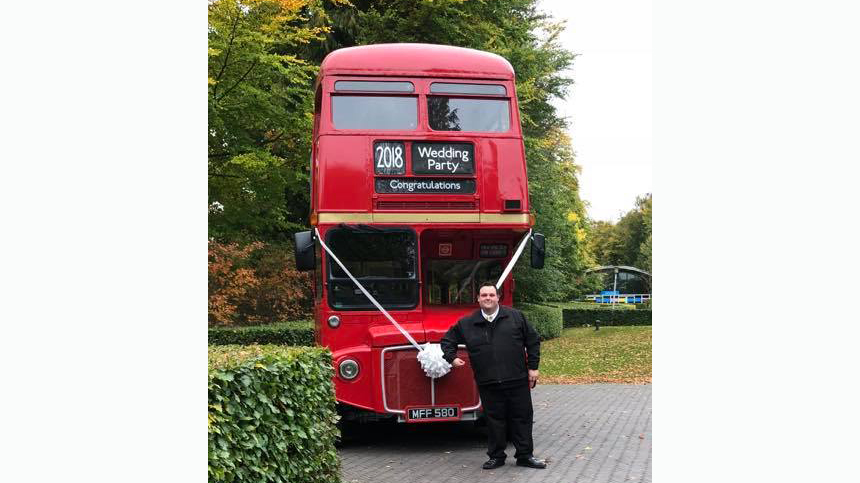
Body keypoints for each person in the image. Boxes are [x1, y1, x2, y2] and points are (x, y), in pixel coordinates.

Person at [440, 281, 547, 470]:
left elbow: (533, 340)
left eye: (491, 295)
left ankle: (525, 456)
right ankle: (496, 456)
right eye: (484, 295)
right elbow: (447, 341)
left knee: (522, 418)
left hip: (517, 379)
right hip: (488, 381)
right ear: (478, 299)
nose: (488, 298)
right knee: (494, 420)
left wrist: (533, 367)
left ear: (498, 297)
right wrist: (452, 358)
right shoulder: (467, 323)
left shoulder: (515, 317)